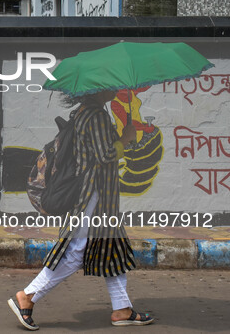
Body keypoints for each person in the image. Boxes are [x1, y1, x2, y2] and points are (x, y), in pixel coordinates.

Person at [8, 90, 154, 330]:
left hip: (102, 197)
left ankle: (122, 309)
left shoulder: (86, 113)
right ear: (98, 90)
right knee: (75, 250)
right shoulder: (95, 116)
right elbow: (105, 154)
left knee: (110, 246)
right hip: (92, 196)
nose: (116, 90)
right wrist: (126, 138)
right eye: (110, 86)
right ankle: (29, 295)